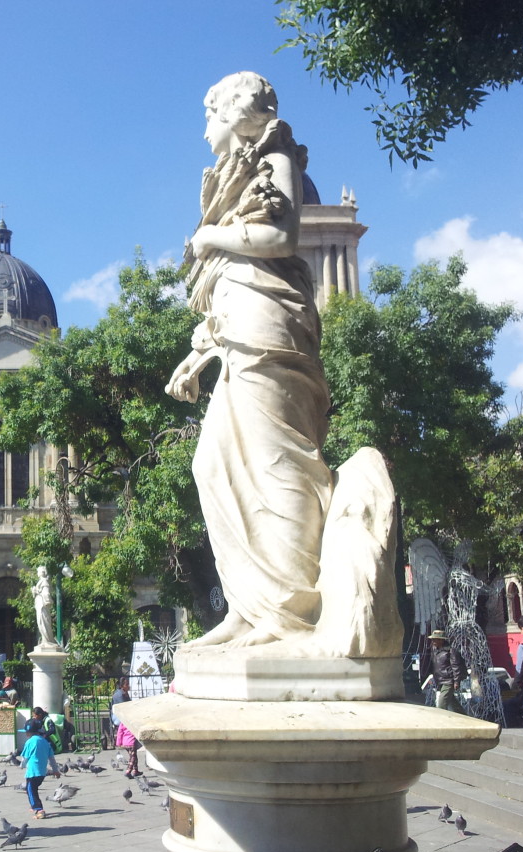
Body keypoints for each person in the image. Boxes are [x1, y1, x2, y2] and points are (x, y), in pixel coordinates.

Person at [166, 71, 331, 650]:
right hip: (237, 329)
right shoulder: (231, 176)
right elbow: (227, 287)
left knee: (275, 459)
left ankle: (291, 611)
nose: (205, 126)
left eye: (211, 113)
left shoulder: (274, 156)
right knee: (214, 464)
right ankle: (248, 605)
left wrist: (211, 238)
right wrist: (200, 351)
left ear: (237, 114)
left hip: (270, 323)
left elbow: (279, 240)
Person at [22, 717, 60, 819]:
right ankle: (34, 805)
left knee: (30, 789)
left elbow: (25, 758)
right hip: (42, 773)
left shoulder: (29, 742)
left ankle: (39, 809)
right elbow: (52, 758)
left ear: (29, 732)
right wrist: (56, 771)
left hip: (32, 772)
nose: (26, 734)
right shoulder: (45, 742)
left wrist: (21, 765)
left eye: (26, 732)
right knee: (33, 789)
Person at [422, 630, 466, 714]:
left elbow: (456, 667)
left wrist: (456, 681)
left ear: (441, 640)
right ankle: (466, 718)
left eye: (435, 639)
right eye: (433, 640)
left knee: (441, 705)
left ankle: (441, 722)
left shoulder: (451, 651)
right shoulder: (435, 651)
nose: (433, 642)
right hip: (440, 681)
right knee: (453, 703)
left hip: (448, 681)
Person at [111, 677, 141, 777]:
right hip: (122, 720)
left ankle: (135, 770)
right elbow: (125, 708)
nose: (128, 686)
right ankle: (129, 770)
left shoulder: (124, 693)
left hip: (125, 724)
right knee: (133, 754)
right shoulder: (120, 695)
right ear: (122, 685)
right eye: (127, 684)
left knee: (133, 754)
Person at [33, 565, 55, 647]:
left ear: (41, 572)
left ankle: (47, 641)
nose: (37, 573)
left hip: (42, 604)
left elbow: (46, 593)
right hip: (40, 603)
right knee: (41, 622)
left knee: (44, 621)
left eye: (38, 571)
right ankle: (44, 640)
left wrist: (37, 591)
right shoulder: (42, 581)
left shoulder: (44, 581)